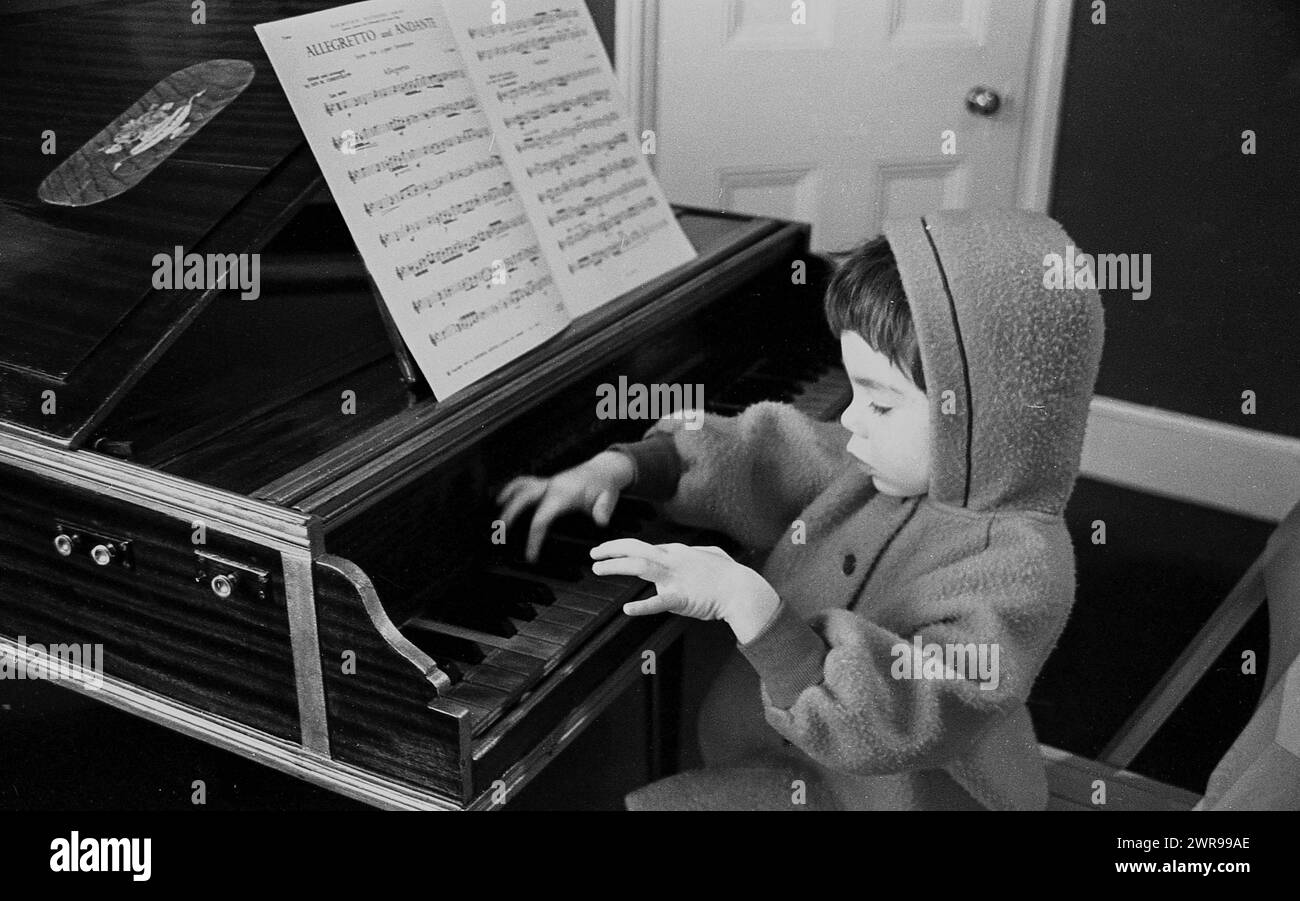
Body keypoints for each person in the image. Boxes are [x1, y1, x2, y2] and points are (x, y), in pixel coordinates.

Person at [496, 210, 1104, 810]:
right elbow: (771, 453)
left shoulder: (1020, 566)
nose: (848, 417)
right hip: (792, 766)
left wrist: (750, 605)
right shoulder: (880, 466)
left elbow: (899, 719)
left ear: (985, 419)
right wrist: (632, 465)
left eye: (881, 404)